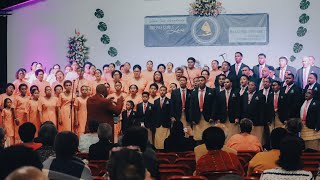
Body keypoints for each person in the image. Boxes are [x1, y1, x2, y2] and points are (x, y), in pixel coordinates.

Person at [189, 76, 215, 141]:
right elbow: (191, 106)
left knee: (208, 136)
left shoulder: (211, 91)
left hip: (208, 118)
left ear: (205, 81)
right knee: (198, 137)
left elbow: (214, 105)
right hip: (197, 118)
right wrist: (192, 118)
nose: (200, 82)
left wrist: (212, 117)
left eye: (202, 80)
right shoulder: (193, 92)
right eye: (199, 80)